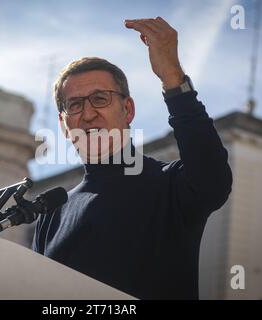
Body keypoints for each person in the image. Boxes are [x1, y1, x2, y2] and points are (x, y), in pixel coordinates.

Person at [33, 17, 232, 299]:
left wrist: (173, 80)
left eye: (100, 98)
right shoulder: (51, 215)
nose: (88, 114)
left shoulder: (171, 186)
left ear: (128, 110)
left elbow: (214, 180)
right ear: (65, 126)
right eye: (75, 104)